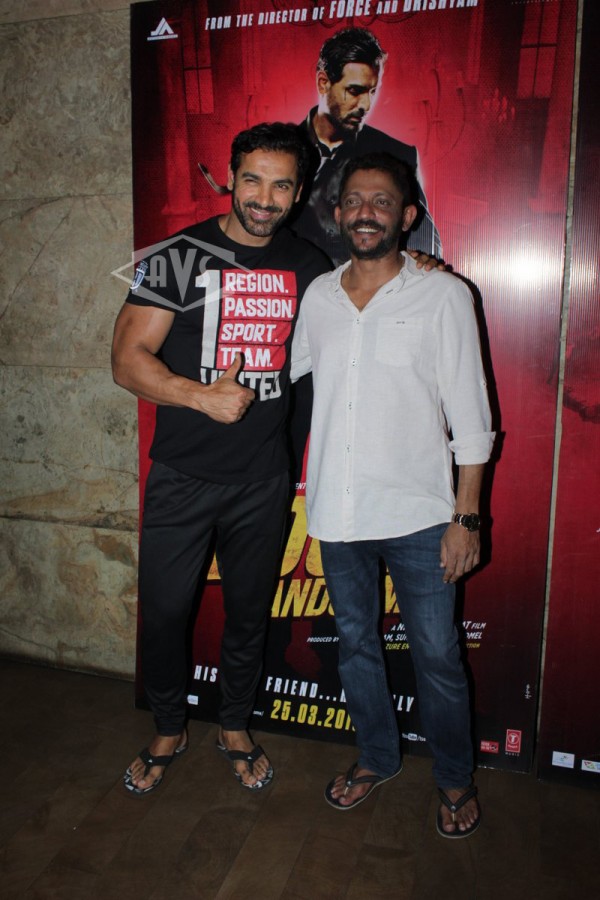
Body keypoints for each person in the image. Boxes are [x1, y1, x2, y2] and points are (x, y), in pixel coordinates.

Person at [112, 122, 331, 795]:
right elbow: (125, 360)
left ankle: (234, 724)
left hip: (262, 480)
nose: (265, 198)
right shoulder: (177, 257)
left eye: (282, 185)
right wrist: (198, 396)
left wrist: (421, 267)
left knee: (249, 614)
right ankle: (168, 727)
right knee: (165, 613)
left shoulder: (310, 266)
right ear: (230, 178)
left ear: (298, 192)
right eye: (253, 180)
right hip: (182, 475)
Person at [291, 152, 494, 838]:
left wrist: (467, 518)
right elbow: (282, 373)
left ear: (407, 216)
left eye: (382, 201)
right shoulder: (318, 297)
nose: (366, 211)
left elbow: (471, 418)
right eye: (354, 200)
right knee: (355, 646)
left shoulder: (444, 296)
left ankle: (455, 778)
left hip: (420, 516)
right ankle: (377, 757)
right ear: (337, 213)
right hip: (338, 512)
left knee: (437, 656)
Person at [293, 27, 442, 266]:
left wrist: (424, 263)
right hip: (296, 287)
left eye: (373, 91)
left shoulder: (397, 154)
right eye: (355, 91)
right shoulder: (281, 152)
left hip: (373, 288)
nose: (365, 105)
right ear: (323, 83)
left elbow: (425, 241)